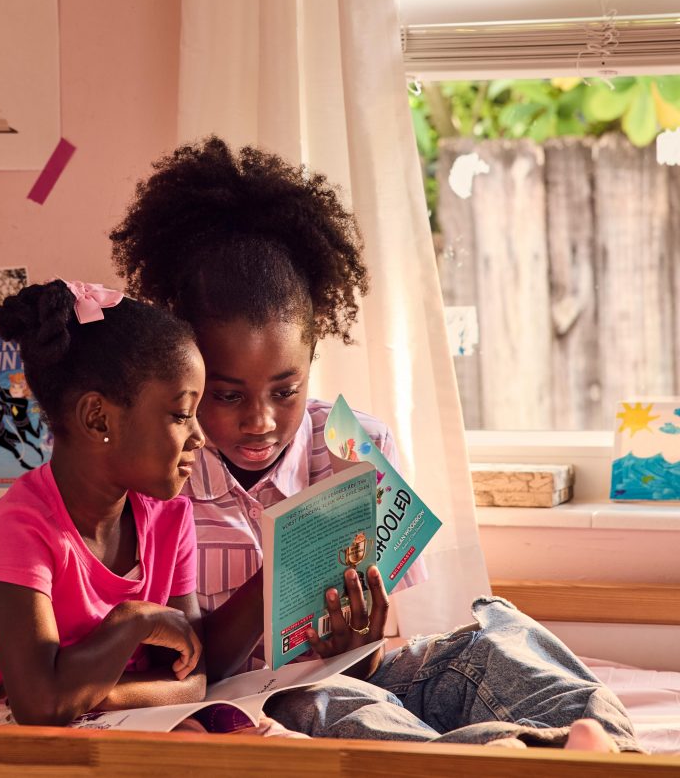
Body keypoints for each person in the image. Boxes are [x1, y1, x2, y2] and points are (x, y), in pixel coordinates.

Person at [110, 135, 638, 752]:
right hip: (257, 700)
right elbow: (185, 674)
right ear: (191, 369)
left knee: (497, 637)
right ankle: (509, 756)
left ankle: (611, 749)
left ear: (312, 358)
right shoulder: (161, 482)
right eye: (228, 395)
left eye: (286, 390)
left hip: (359, 676)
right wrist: (274, 581)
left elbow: (371, 661)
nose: (261, 421)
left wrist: (363, 638)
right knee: (327, 705)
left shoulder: (352, 451)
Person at [0, 279, 208, 727]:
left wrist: (86, 697)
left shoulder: (171, 518)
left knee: (200, 733)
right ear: (97, 418)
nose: (200, 437)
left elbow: (193, 678)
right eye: (182, 415)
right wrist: (134, 620)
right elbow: (39, 708)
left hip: (95, 723)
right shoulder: (21, 527)